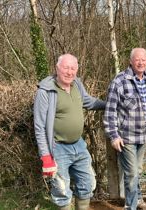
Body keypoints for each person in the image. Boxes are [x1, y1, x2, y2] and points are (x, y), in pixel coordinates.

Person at [33, 54, 106, 210]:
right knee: (61, 190)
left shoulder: (77, 85)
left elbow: (88, 101)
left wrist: (109, 105)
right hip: (58, 147)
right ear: (57, 68)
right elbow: (39, 126)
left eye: (73, 68)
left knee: (87, 184)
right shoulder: (46, 91)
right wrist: (46, 157)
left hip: (78, 144)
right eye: (66, 67)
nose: (69, 72)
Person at [103, 48, 146, 210]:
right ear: (131, 61)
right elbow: (110, 111)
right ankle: (130, 206)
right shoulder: (120, 81)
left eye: (143, 60)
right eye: (137, 60)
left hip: (144, 135)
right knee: (131, 173)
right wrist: (113, 135)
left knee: (137, 170)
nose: (141, 63)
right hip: (126, 137)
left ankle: (138, 199)